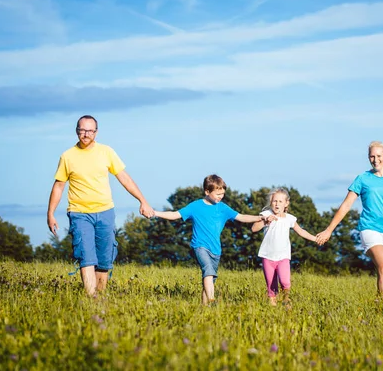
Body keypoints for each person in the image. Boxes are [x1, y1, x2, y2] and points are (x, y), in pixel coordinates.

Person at [47, 115, 153, 297]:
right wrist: (51, 213)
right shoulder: (67, 156)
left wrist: (142, 200)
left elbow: (124, 178)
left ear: (96, 132)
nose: (86, 134)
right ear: (76, 131)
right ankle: (91, 297)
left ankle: (100, 297)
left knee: (105, 259)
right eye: (82, 130)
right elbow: (58, 185)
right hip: (79, 213)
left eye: (90, 130)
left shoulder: (106, 152)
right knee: (86, 256)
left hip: (105, 212)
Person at [316, 141, 383, 302]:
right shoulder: (362, 179)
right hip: (370, 228)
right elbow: (346, 205)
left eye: (379, 156)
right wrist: (329, 229)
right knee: (382, 268)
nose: (375, 160)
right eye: (372, 156)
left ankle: (379, 305)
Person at [150, 174, 269, 305]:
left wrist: (259, 218)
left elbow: (241, 217)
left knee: (209, 279)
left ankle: (204, 308)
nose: (221, 197)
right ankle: (212, 301)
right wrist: (155, 213)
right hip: (200, 246)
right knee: (208, 270)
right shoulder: (195, 206)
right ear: (207, 191)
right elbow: (175, 214)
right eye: (218, 194)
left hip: (216, 250)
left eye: (222, 194)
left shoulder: (223, 208)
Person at [251, 188, 318, 307]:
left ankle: (286, 300)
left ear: (286, 203)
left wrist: (315, 239)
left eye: (280, 201)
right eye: (274, 201)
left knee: (285, 281)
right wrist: (265, 221)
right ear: (271, 202)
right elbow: (254, 228)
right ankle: (273, 309)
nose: (277, 204)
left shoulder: (290, 218)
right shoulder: (266, 215)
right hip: (267, 256)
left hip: (283, 257)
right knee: (271, 287)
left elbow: (301, 231)